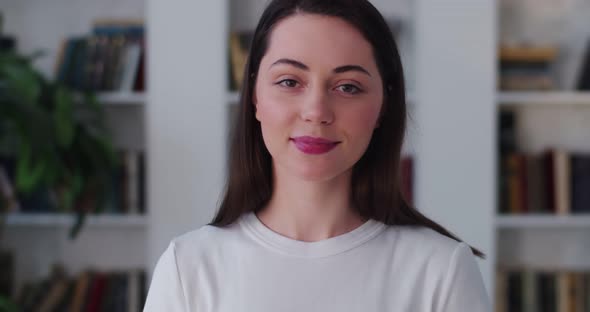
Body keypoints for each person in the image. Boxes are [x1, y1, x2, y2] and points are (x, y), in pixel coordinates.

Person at [144, 0, 491, 311]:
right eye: (289, 82)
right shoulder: (188, 268)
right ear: (254, 96)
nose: (316, 111)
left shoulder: (441, 271)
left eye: (348, 87)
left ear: (383, 105)